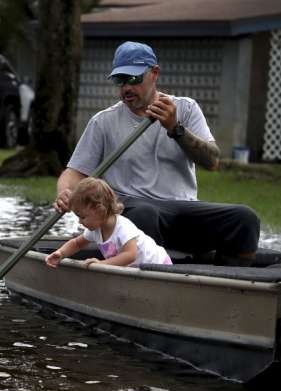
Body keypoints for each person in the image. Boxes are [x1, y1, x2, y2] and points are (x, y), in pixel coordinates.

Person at [54, 41, 260, 266]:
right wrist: (66, 192)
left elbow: (212, 161)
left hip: (183, 209)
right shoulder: (104, 121)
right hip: (134, 210)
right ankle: (149, 284)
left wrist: (175, 129)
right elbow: (74, 173)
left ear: (154, 73)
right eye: (119, 81)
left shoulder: (186, 109)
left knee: (245, 218)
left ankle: (227, 284)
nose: (126, 88)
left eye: (133, 79)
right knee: (145, 213)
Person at [45, 177, 172, 269]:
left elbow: (130, 255)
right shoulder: (96, 229)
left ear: (100, 209)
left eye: (82, 217)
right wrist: (61, 253)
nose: (79, 222)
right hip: (137, 269)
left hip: (159, 265)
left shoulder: (123, 227)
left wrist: (101, 264)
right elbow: (77, 243)